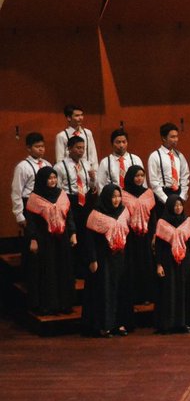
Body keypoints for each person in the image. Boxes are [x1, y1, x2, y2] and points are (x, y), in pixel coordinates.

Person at [22, 166, 76, 315]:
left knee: (63, 269)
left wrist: (73, 233)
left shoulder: (62, 195)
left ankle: (64, 304)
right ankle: (48, 305)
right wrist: (33, 239)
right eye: (49, 178)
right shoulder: (34, 198)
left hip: (62, 238)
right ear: (42, 180)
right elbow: (31, 221)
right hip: (44, 240)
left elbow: (69, 215)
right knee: (48, 271)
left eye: (54, 178)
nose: (53, 181)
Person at [82, 184, 131, 337]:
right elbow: (89, 239)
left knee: (120, 290)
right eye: (113, 196)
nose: (116, 200)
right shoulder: (96, 214)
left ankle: (119, 323)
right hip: (103, 259)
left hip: (119, 257)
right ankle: (104, 325)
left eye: (118, 196)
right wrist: (92, 259)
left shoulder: (123, 212)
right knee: (105, 292)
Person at [153, 195, 190, 334]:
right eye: (175, 205)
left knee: (184, 290)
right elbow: (158, 247)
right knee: (169, 291)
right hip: (168, 261)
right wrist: (159, 264)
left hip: (185, 261)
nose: (178, 208)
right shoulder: (162, 223)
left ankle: (183, 323)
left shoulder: (187, 221)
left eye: (180, 205)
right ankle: (168, 324)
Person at [56, 136, 93, 278]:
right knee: (72, 235)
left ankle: (83, 268)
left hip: (84, 200)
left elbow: (91, 186)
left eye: (83, 148)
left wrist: (93, 179)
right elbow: (58, 189)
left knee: (84, 235)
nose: (81, 151)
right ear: (69, 148)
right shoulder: (60, 166)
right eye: (78, 148)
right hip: (69, 200)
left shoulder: (86, 164)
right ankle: (70, 269)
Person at [120, 165, 157, 305]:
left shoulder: (148, 193)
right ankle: (133, 295)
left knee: (146, 264)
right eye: (136, 176)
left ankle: (146, 295)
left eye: (142, 175)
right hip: (130, 236)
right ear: (130, 177)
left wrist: (153, 234)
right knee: (131, 265)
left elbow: (153, 215)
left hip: (146, 235)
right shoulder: (123, 194)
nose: (139, 178)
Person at [147, 122, 189, 212]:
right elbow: (154, 182)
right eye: (172, 137)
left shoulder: (180, 155)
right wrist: (165, 199)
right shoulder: (155, 156)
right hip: (163, 195)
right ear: (164, 138)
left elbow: (185, 177)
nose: (176, 139)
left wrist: (182, 196)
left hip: (178, 194)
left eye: (176, 136)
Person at [11, 132, 49, 233]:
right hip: (29, 205)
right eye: (37, 146)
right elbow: (16, 192)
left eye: (42, 146)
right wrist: (19, 215)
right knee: (32, 240)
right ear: (28, 148)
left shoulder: (47, 164)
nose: (41, 149)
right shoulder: (22, 166)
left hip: (46, 204)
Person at [54, 105, 98, 174]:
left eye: (81, 115)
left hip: (87, 170)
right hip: (70, 171)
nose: (80, 118)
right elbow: (60, 158)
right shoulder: (62, 136)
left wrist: (95, 170)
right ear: (69, 118)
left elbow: (93, 154)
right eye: (77, 116)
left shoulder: (87, 133)